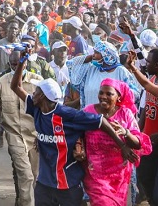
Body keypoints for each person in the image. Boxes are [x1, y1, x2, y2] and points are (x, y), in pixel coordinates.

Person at [10, 52, 138, 206]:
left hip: (68, 184)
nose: (33, 93)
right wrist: (22, 61)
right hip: (44, 183)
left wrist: (122, 144)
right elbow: (15, 86)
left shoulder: (68, 114)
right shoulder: (36, 108)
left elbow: (101, 121)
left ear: (44, 97)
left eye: (37, 91)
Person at [0, 51, 43, 206]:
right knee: (26, 175)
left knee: (35, 175)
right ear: (9, 64)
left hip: (34, 136)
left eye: (19, 63)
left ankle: (22, 201)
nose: (16, 66)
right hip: (14, 135)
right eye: (13, 64)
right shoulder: (1, 82)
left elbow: (46, 109)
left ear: (26, 62)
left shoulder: (37, 81)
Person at [76, 78, 151, 206]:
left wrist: (126, 132)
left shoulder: (125, 114)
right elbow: (76, 131)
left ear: (118, 97)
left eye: (109, 94)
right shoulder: (89, 111)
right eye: (101, 93)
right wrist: (79, 146)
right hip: (94, 173)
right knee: (103, 202)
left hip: (118, 176)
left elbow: (138, 143)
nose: (103, 97)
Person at [125, 49, 158, 204]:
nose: (145, 64)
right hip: (147, 140)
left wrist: (133, 68)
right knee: (144, 178)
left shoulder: (156, 85)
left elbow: (146, 85)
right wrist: (139, 131)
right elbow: (145, 110)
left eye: (148, 62)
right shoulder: (153, 78)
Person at [67, 40, 141, 109]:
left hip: (111, 118)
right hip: (89, 116)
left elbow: (135, 95)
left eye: (96, 53)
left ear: (106, 55)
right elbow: (70, 64)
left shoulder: (120, 71)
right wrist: (90, 58)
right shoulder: (91, 70)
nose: (93, 55)